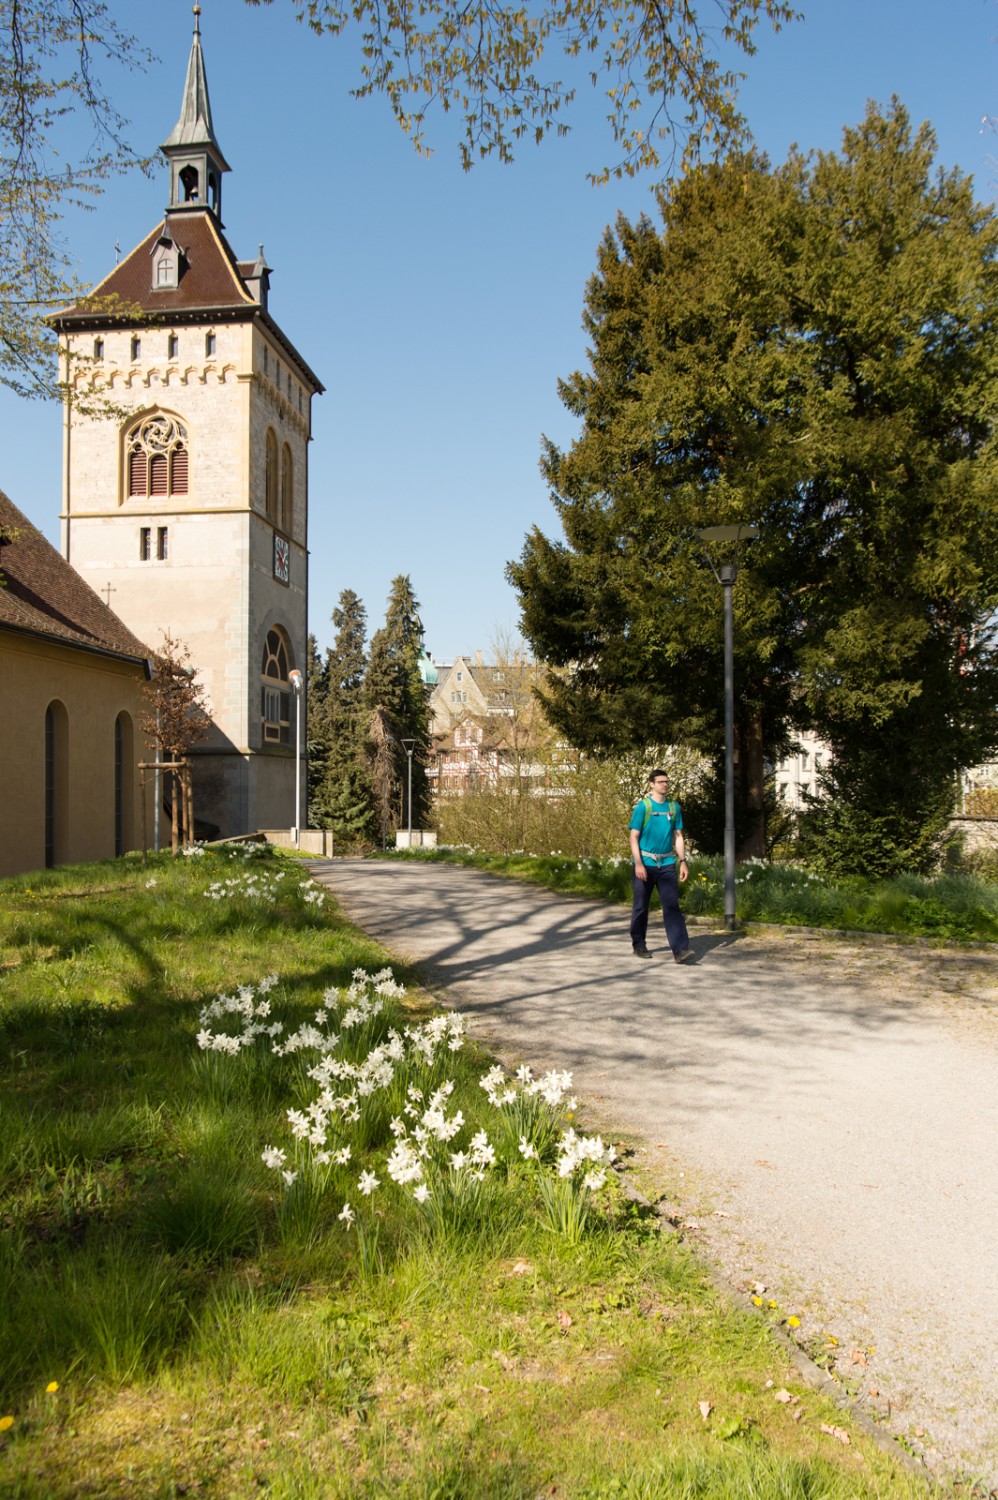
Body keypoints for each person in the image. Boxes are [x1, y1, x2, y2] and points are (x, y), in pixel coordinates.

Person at [628, 769, 693, 962]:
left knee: (672, 906)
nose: (664, 784)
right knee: (641, 906)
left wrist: (683, 862)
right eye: (660, 781)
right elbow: (633, 837)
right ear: (651, 784)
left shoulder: (673, 808)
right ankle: (639, 944)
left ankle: (681, 949)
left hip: (666, 864)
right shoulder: (643, 807)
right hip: (645, 864)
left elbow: (678, 836)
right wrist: (638, 863)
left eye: (666, 781)